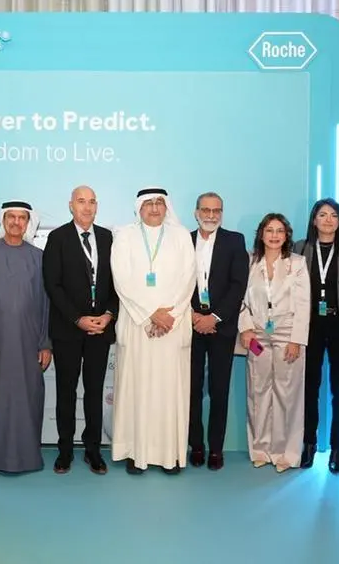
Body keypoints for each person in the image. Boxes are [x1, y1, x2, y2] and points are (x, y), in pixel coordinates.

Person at [109, 188, 196, 474]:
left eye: (160, 202)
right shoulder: (125, 236)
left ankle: (170, 455)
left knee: (169, 391)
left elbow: (188, 279)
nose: (155, 208)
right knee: (137, 389)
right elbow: (122, 280)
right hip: (138, 326)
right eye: (149, 203)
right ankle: (136, 454)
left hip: (172, 326)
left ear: (167, 206)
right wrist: (150, 315)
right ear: (139, 207)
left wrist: (169, 316)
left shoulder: (181, 236)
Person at [42, 186, 118, 475]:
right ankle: (64, 451)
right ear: (70, 206)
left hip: (101, 329)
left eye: (92, 202)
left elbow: (118, 282)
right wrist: (77, 319)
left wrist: (108, 315)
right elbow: (52, 284)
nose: (87, 207)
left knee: (95, 392)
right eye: (81, 201)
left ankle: (93, 450)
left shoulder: (108, 238)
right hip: (68, 329)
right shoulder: (58, 238)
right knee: (66, 391)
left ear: (97, 206)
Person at [0, 200, 51, 473]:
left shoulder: (38, 257)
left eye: (22, 218)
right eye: (11, 217)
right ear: (3, 220)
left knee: (27, 398)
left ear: (28, 222)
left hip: (29, 343)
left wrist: (45, 343)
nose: (16, 222)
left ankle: (27, 457)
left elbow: (46, 304)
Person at [294, 199, 339, 473]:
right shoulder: (301, 248)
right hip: (309, 326)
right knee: (309, 388)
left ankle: (337, 448)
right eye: (322, 214)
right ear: (314, 220)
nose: (327, 219)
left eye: (333, 215)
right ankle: (309, 444)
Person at [238, 213, 310, 473]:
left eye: (280, 231)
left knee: (286, 395)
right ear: (261, 234)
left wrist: (296, 340)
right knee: (257, 392)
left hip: (287, 335)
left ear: (286, 235)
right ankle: (260, 449)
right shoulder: (249, 261)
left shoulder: (297, 263)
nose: (274, 235)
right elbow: (240, 299)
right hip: (257, 335)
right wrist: (245, 328)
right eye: (270, 230)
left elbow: (303, 304)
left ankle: (285, 453)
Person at [188, 192, 249, 471]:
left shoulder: (235, 241)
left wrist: (213, 317)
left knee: (219, 390)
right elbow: (176, 283)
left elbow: (238, 285)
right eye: (206, 210)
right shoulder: (183, 240)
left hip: (221, 327)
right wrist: (193, 316)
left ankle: (215, 449)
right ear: (196, 213)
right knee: (191, 391)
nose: (211, 215)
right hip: (190, 326)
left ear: (221, 213)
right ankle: (196, 446)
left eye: (216, 211)